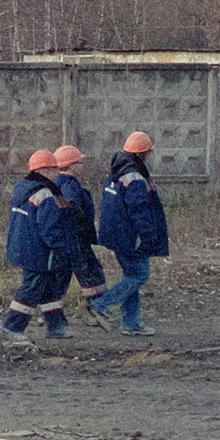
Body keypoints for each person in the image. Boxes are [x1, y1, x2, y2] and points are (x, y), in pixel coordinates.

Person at [92, 131, 169, 335]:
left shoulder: (115, 173)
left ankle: (131, 324)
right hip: (131, 238)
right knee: (139, 275)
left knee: (131, 276)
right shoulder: (134, 178)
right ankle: (101, 305)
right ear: (145, 153)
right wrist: (148, 236)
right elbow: (139, 211)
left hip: (116, 236)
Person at [2, 149, 83, 343]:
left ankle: (55, 326)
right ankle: (11, 327)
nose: (57, 173)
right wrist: (61, 248)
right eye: (54, 169)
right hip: (38, 252)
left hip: (21, 247)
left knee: (48, 287)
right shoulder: (46, 194)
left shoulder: (22, 189)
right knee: (32, 288)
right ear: (44, 170)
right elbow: (49, 228)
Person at [51, 145, 110, 325]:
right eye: (80, 162)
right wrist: (82, 230)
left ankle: (51, 316)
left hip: (64, 240)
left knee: (61, 277)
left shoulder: (55, 183)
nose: (83, 165)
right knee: (92, 274)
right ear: (71, 165)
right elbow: (72, 212)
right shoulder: (70, 185)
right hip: (76, 239)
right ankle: (97, 312)